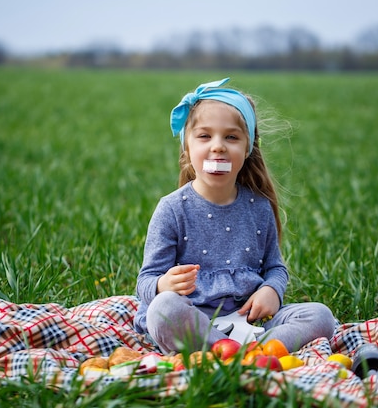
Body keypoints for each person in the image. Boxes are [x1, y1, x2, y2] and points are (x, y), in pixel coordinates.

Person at [134, 78, 335, 355]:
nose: (218, 146)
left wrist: (272, 291)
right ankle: (229, 351)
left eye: (231, 137)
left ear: (247, 148)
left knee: (321, 316)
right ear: (187, 148)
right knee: (163, 309)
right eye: (204, 136)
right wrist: (163, 284)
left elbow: (275, 268)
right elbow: (145, 281)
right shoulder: (172, 210)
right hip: (194, 320)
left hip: (250, 324)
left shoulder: (258, 207)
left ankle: (241, 353)